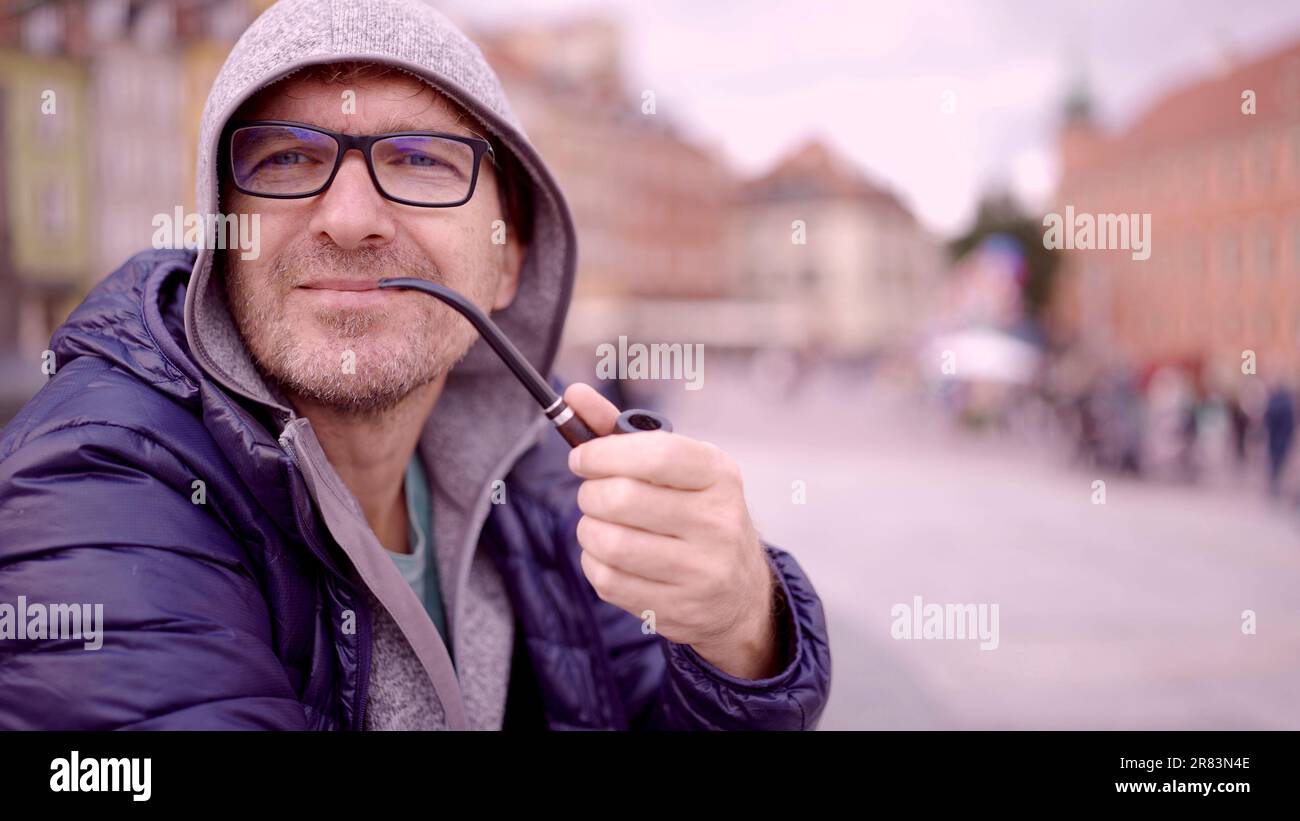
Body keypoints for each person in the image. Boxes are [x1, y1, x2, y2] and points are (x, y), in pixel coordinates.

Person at [0, 0, 830, 730]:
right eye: (287, 159)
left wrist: (740, 629)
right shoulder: (97, 489)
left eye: (420, 159)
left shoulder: (538, 494)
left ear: (509, 260)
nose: (351, 219)